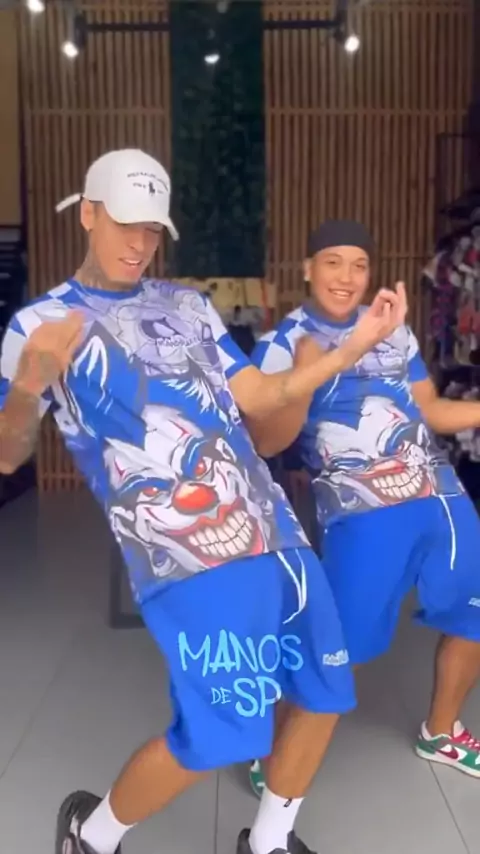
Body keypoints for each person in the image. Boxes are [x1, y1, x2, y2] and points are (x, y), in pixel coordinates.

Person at [0, 156, 406, 854]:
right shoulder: (39, 324)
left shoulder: (186, 306)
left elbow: (258, 395)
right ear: (88, 213)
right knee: (223, 733)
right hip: (183, 553)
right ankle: (91, 836)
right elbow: (8, 455)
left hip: (274, 530)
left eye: (152, 230)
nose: (140, 244)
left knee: (326, 689)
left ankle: (269, 841)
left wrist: (353, 348)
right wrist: (32, 379)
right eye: (126, 224)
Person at [248, 218, 480, 798]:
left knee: (475, 611)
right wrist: (304, 375)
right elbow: (267, 442)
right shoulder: (282, 344)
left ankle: (441, 731)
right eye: (333, 262)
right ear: (308, 269)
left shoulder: (392, 332)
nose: (346, 277)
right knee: (334, 645)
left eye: (359, 265)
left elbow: (430, 411)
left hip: (442, 497)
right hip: (364, 509)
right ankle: (271, 749)